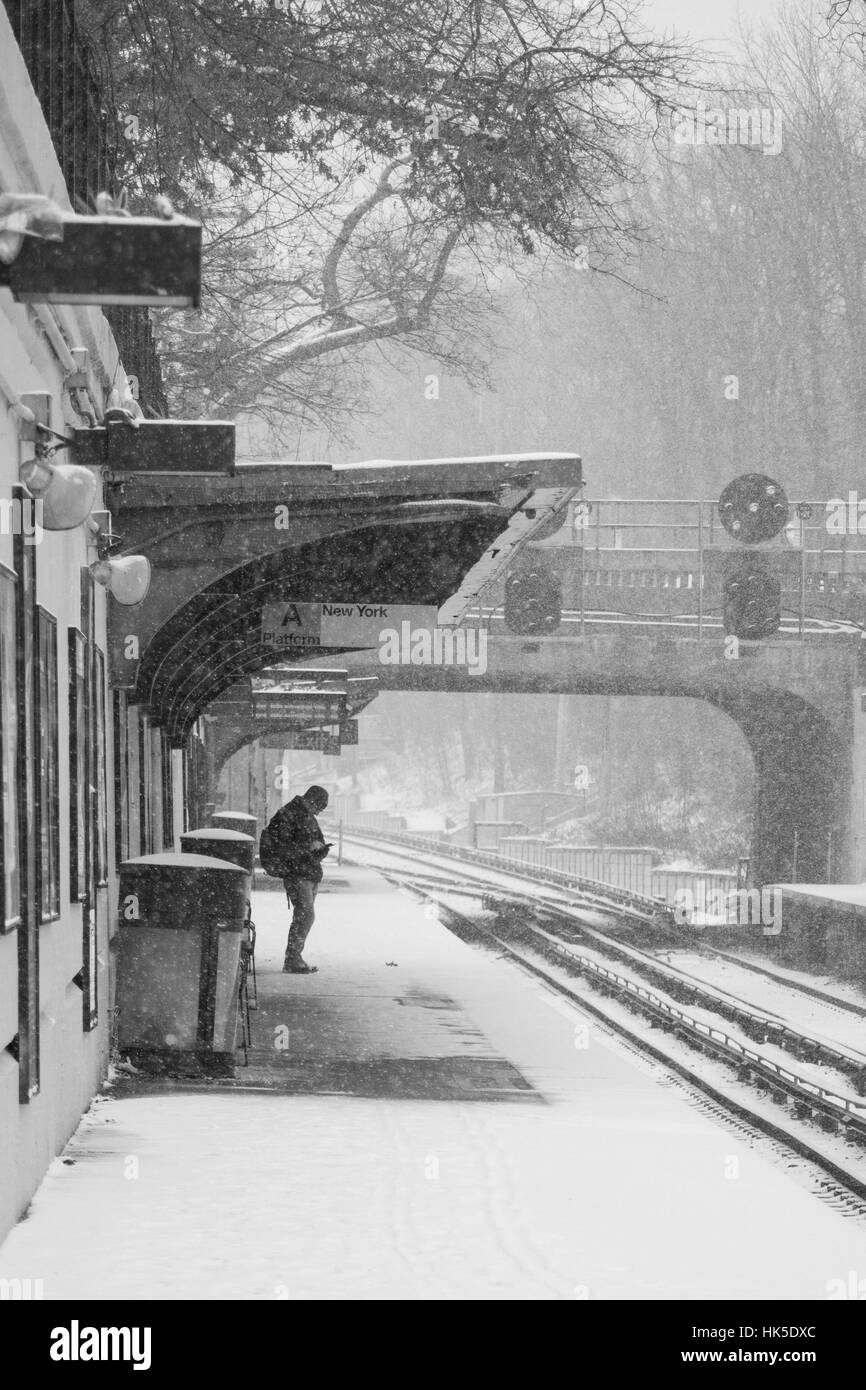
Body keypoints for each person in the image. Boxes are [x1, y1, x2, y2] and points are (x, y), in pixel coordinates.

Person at [269, 785, 331, 974]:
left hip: (309, 872)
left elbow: (311, 842)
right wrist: (308, 848)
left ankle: (294, 957)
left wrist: (320, 849)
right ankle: (292, 958)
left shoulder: (307, 816)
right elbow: (281, 847)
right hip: (297, 873)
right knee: (305, 915)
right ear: (310, 801)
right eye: (318, 808)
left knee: (304, 916)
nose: (318, 813)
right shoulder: (287, 815)